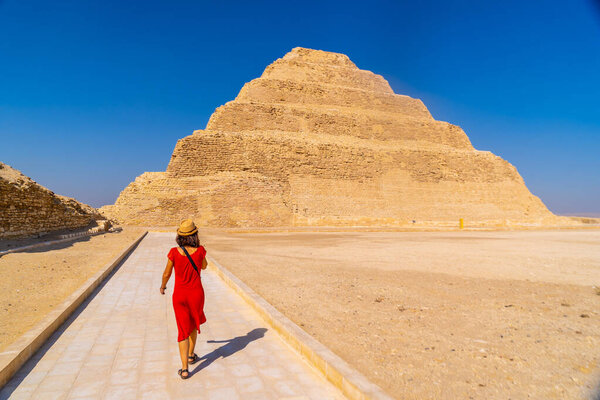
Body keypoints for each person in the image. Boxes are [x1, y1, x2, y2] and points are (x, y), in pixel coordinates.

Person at [160, 219, 208, 379]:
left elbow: (167, 273)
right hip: (196, 294)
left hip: (179, 295)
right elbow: (204, 266)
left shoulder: (173, 252)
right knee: (193, 324)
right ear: (195, 235)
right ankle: (190, 354)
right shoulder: (201, 250)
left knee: (182, 330)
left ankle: (185, 368)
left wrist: (163, 286)